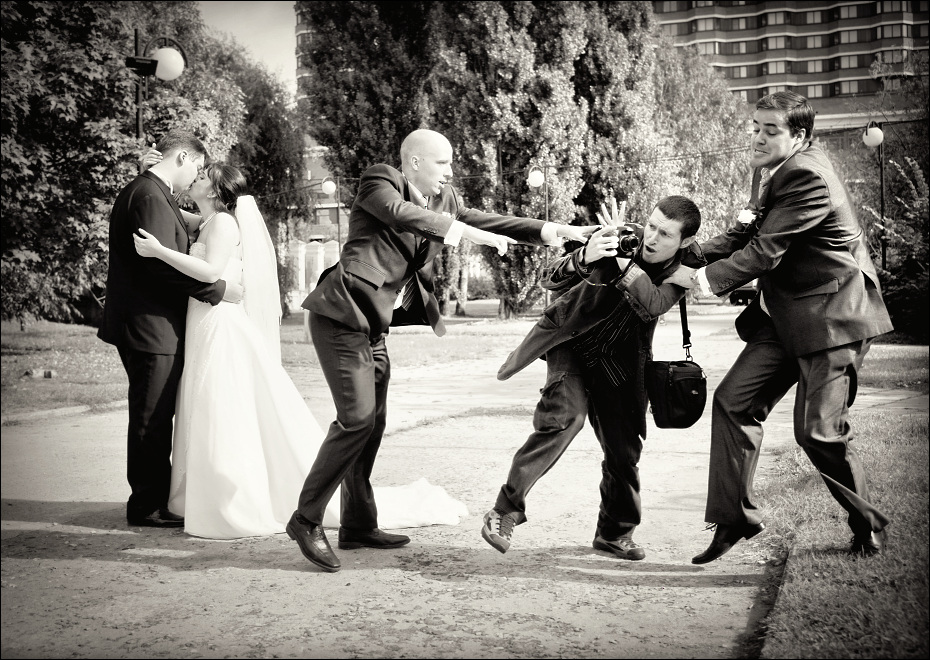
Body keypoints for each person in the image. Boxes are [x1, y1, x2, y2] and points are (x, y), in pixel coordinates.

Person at [288, 128, 598, 572]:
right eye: (443, 163)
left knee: (372, 425)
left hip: (373, 327)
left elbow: (490, 221)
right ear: (414, 162)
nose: (451, 172)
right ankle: (305, 519)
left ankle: (357, 524)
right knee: (356, 420)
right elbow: (401, 214)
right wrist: (466, 233)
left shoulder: (445, 199)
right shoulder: (380, 180)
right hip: (340, 316)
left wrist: (557, 230)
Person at [133, 161, 468, 539]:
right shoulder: (208, 220)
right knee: (207, 405)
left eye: (201, 177)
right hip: (205, 320)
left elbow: (210, 272)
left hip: (220, 323)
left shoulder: (223, 223)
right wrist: (154, 176)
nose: (194, 179)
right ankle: (214, 497)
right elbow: (173, 211)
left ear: (213, 190)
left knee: (222, 409)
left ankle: (252, 505)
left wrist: (158, 251)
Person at [667, 91, 894, 563]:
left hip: (833, 314)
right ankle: (735, 519)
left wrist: (701, 279)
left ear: (800, 136)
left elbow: (764, 251)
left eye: (771, 131)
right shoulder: (773, 169)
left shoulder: (808, 175)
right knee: (734, 402)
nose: (758, 137)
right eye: (756, 127)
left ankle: (868, 526)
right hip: (785, 314)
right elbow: (745, 232)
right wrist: (685, 254)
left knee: (818, 433)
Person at [481, 196, 703, 560]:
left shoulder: (685, 267)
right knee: (564, 418)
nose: (651, 237)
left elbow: (654, 304)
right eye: (651, 226)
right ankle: (504, 510)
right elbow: (550, 278)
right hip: (572, 344)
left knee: (624, 452)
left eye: (665, 234)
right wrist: (585, 256)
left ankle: (614, 535)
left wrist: (624, 265)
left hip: (620, 361)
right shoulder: (617, 235)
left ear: (685, 241)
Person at [98, 130, 241, 529]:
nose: (197, 175)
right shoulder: (148, 194)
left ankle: (153, 498)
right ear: (182, 158)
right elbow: (157, 266)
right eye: (197, 166)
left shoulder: (153, 191)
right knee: (152, 416)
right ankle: (146, 504)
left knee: (157, 414)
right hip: (150, 325)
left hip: (153, 322)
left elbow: (179, 240)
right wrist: (218, 291)